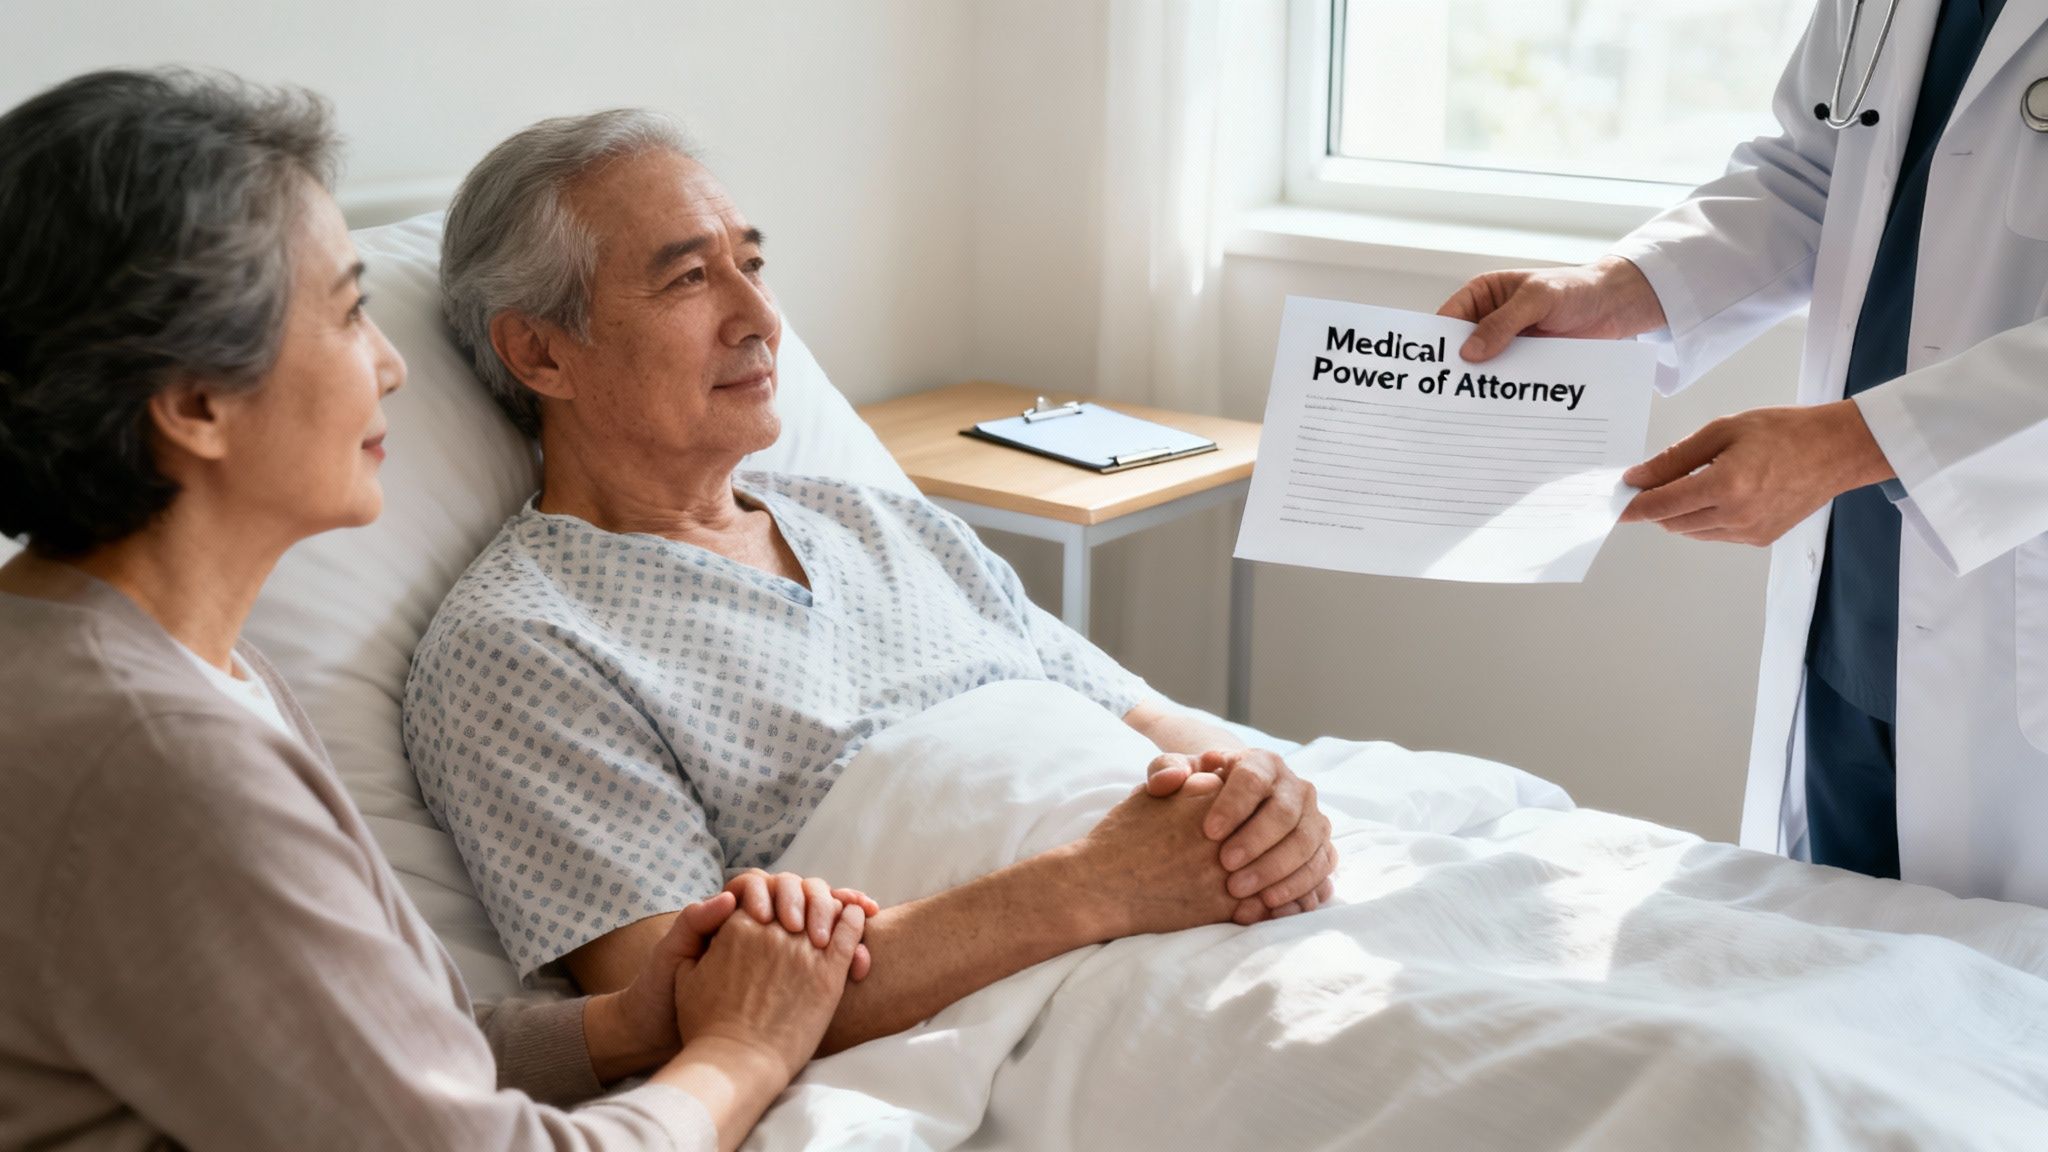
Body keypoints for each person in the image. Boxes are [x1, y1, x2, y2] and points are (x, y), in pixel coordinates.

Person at [0, 69, 876, 1152]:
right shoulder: (158, 757)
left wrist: (618, 1031)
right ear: (195, 404)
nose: (392, 366)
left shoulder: (180, 666)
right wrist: (742, 1049)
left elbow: (355, 1052)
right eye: (348, 311)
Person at [403, 109, 1341, 1052]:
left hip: (1233, 910)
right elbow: (682, 1015)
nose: (760, 317)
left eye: (753, 265)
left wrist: (1265, 795)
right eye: (690, 278)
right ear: (540, 352)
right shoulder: (522, 646)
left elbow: (1137, 715)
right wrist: (1102, 882)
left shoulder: (875, 517)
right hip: (1081, 1011)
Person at [1440, 1, 2048, 900]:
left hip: (2011, 617)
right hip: (1856, 612)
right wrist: (1615, 290)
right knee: (1828, 979)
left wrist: (1849, 442)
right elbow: (1815, 171)